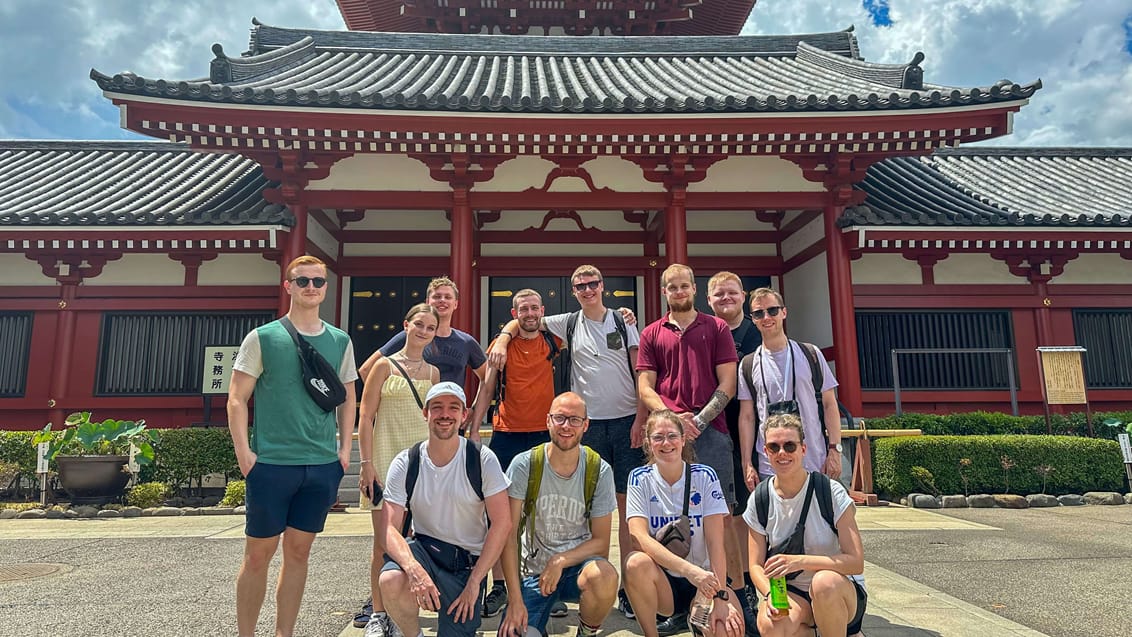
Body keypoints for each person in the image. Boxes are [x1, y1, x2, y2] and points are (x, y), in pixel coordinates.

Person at [487, 265, 644, 620]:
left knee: (625, 508)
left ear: (603, 286)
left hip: (624, 421)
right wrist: (501, 337)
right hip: (584, 425)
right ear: (573, 291)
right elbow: (526, 321)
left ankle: (624, 589)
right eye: (580, 286)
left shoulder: (623, 321)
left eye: (592, 284)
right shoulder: (568, 322)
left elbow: (638, 369)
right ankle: (578, 577)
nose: (587, 289)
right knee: (587, 504)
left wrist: (641, 417)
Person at [227, 255, 358, 637]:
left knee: (299, 553)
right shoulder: (263, 337)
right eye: (303, 282)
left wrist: (344, 450)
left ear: (326, 288)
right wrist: (244, 452)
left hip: (320, 463)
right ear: (288, 286)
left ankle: (285, 632)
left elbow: (349, 395)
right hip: (272, 462)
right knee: (257, 556)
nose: (311, 288)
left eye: (318, 282)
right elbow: (237, 397)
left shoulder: (339, 340)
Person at [636, 262, 740, 621]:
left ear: (694, 289)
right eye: (671, 287)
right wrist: (672, 419)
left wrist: (697, 420)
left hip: (710, 431)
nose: (678, 292)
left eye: (684, 286)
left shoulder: (717, 327)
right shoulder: (652, 333)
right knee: (667, 518)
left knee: (721, 518)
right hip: (667, 434)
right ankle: (678, 599)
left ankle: (733, 591)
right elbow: (645, 386)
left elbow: (728, 382)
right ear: (663, 292)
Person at [378, 381, 512, 637]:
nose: (444, 414)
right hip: (426, 551)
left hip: (467, 564)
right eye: (437, 407)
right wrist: (413, 569)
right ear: (425, 413)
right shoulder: (407, 461)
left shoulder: (481, 459)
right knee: (391, 579)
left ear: (464, 416)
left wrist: (475, 583)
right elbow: (388, 529)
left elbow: (502, 523)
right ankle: (410, 633)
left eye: (453, 407)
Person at [499, 392, 620, 637]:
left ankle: (586, 632)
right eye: (560, 418)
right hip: (533, 572)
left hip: (577, 569)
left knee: (605, 576)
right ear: (547, 421)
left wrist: (560, 560)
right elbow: (508, 536)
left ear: (586, 425)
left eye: (575, 420)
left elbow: (602, 543)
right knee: (515, 633)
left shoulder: (598, 469)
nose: (566, 426)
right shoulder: (525, 465)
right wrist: (514, 599)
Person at [356, 303, 441, 637]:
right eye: (419, 324)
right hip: (385, 460)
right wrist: (366, 463)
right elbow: (366, 417)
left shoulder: (434, 374)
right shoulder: (383, 367)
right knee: (383, 542)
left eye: (430, 328)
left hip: (422, 466)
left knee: (418, 541)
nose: (423, 331)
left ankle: (407, 608)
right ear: (406, 325)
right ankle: (379, 613)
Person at [624, 410, 744, 637]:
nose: (666, 443)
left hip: (705, 581)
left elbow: (715, 542)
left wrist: (720, 596)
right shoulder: (639, 478)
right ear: (648, 443)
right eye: (658, 437)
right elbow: (638, 537)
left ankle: (698, 620)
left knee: (726, 629)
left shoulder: (704, 476)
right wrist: (688, 571)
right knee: (635, 563)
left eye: (671, 436)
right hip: (665, 581)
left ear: (683, 439)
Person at [744, 413, 866, 637]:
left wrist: (800, 562)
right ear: (765, 452)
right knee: (771, 625)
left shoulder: (830, 491)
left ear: (803, 449)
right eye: (774, 447)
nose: (782, 453)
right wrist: (769, 594)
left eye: (790, 446)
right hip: (792, 591)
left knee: (823, 583)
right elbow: (755, 565)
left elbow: (856, 562)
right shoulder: (760, 498)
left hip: (838, 589)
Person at [737, 287, 842, 489]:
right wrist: (747, 463)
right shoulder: (749, 364)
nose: (766, 317)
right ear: (753, 319)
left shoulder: (810, 354)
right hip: (769, 465)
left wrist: (835, 450)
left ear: (784, 312)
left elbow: (830, 404)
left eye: (772, 310)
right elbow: (747, 417)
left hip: (813, 459)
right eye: (759, 313)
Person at [706, 271, 763, 622]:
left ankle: (768, 591)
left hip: (762, 434)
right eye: (718, 294)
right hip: (718, 431)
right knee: (727, 516)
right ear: (708, 300)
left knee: (762, 517)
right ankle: (737, 589)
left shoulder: (760, 330)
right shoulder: (708, 332)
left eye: (731, 292)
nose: (725, 298)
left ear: (743, 295)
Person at [358, 276, 487, 392]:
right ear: (427, 302)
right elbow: (366, 370)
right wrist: (387, 402)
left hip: (450, 414)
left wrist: (475, 412)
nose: (442, 300)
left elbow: (487, 379)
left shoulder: (466, 342)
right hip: (413, 413)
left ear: (456, 304)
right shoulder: (409, 335)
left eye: (447, 297)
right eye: (437, 296)